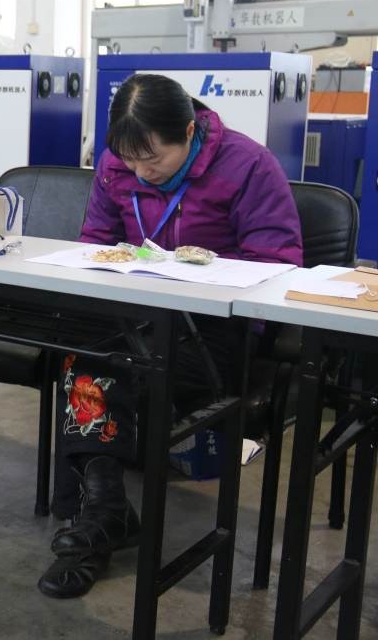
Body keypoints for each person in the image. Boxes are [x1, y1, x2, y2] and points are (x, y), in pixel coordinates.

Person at [37, 72, 302, 599]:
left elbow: (277, 266)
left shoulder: (248, 165)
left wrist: (200, 280)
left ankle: (95, 524)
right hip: (139, 319)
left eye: (152, 159)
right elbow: (95, 242)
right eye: (128, 160)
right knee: (83, 354)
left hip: (217, 332)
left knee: (100, 370)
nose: (140, 171)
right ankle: (106, 511)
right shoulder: (116, 164)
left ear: (188, 131)